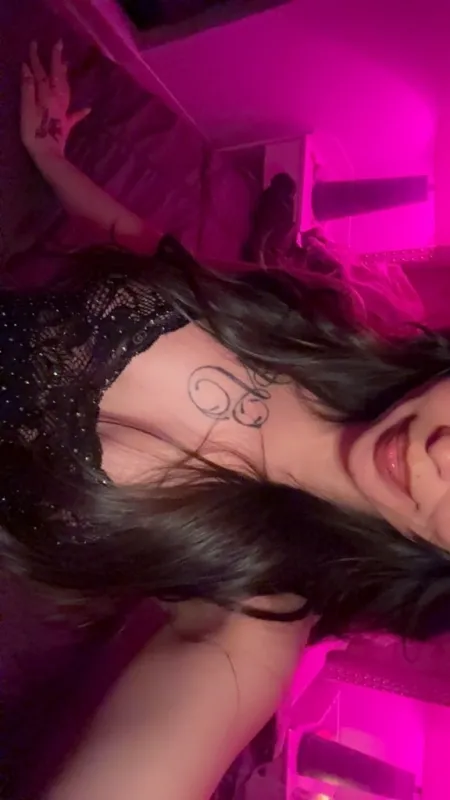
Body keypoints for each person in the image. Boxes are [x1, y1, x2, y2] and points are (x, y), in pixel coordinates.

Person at [3, 41, 450, 799]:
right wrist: (51, 161)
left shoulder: (257, 621)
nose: (443, 451)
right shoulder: (308, 320)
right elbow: (149, 250)